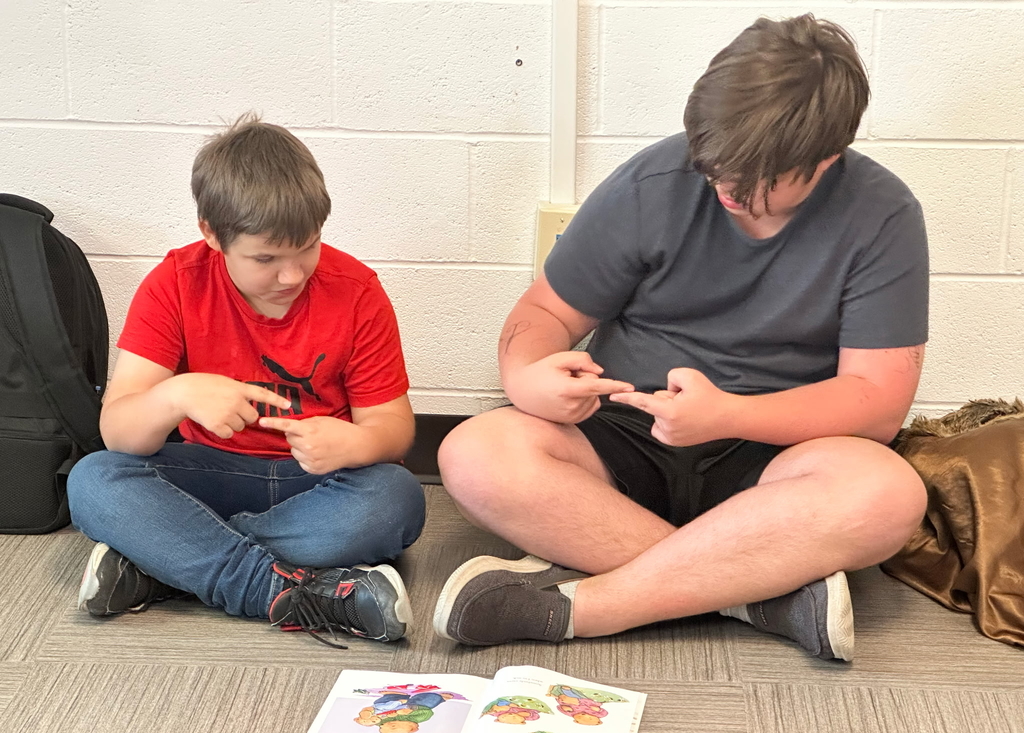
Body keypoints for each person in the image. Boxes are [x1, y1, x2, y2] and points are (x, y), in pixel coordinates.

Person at [433, 14, 929, 661]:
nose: (725, 189)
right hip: (623, 433)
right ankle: (756, 594)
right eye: (716, 169)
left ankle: (595, 607)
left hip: (774, 454)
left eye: (753, 185)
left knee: (889, 496)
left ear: (825, 160)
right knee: (472, 455)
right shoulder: (653, 181)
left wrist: (729, 413)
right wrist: (529, 373)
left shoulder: (882, 214)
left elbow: (877, 403)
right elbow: (544, 311)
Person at [68, 114, 425, 647]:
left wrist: (358, 440)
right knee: (94, 479)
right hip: (209, 473)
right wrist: (177, 394)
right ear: (212, 234)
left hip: (318, 482)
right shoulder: (175, 284)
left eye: (308, 247)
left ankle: (166, 564)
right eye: (266, 258)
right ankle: (282, 590)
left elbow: (394, 429)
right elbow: (119, 433)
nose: (293, 274)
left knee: (398, 497)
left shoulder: (355, 290)